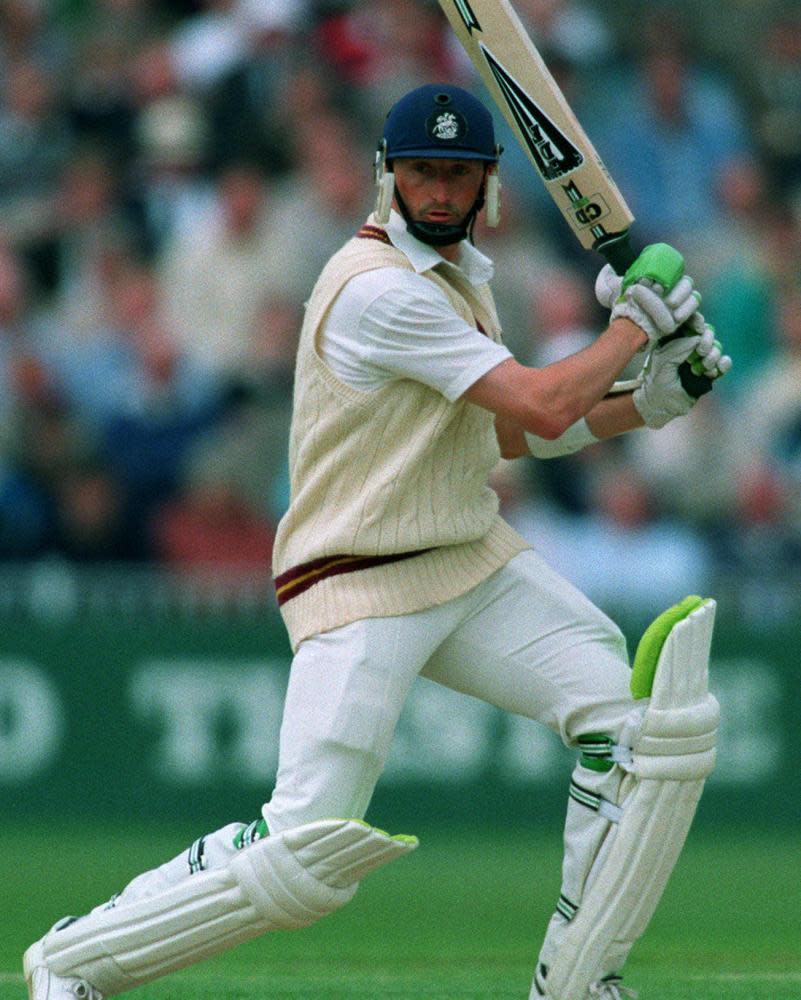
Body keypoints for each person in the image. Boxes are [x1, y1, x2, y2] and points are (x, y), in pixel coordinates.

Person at [24, 84, 730, 1000]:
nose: (438, 193)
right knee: (306, 853)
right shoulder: (376, 292)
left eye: (458, 175)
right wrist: (637, 324)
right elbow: (541, 401)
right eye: (421, 173)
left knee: (642, 730)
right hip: (356, 579)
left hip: (466, 557)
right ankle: (75, 960)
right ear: (386, 178)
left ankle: (578, 984)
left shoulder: (460, 278)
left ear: (488, 185)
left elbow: (506, 435)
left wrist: (650, 400)